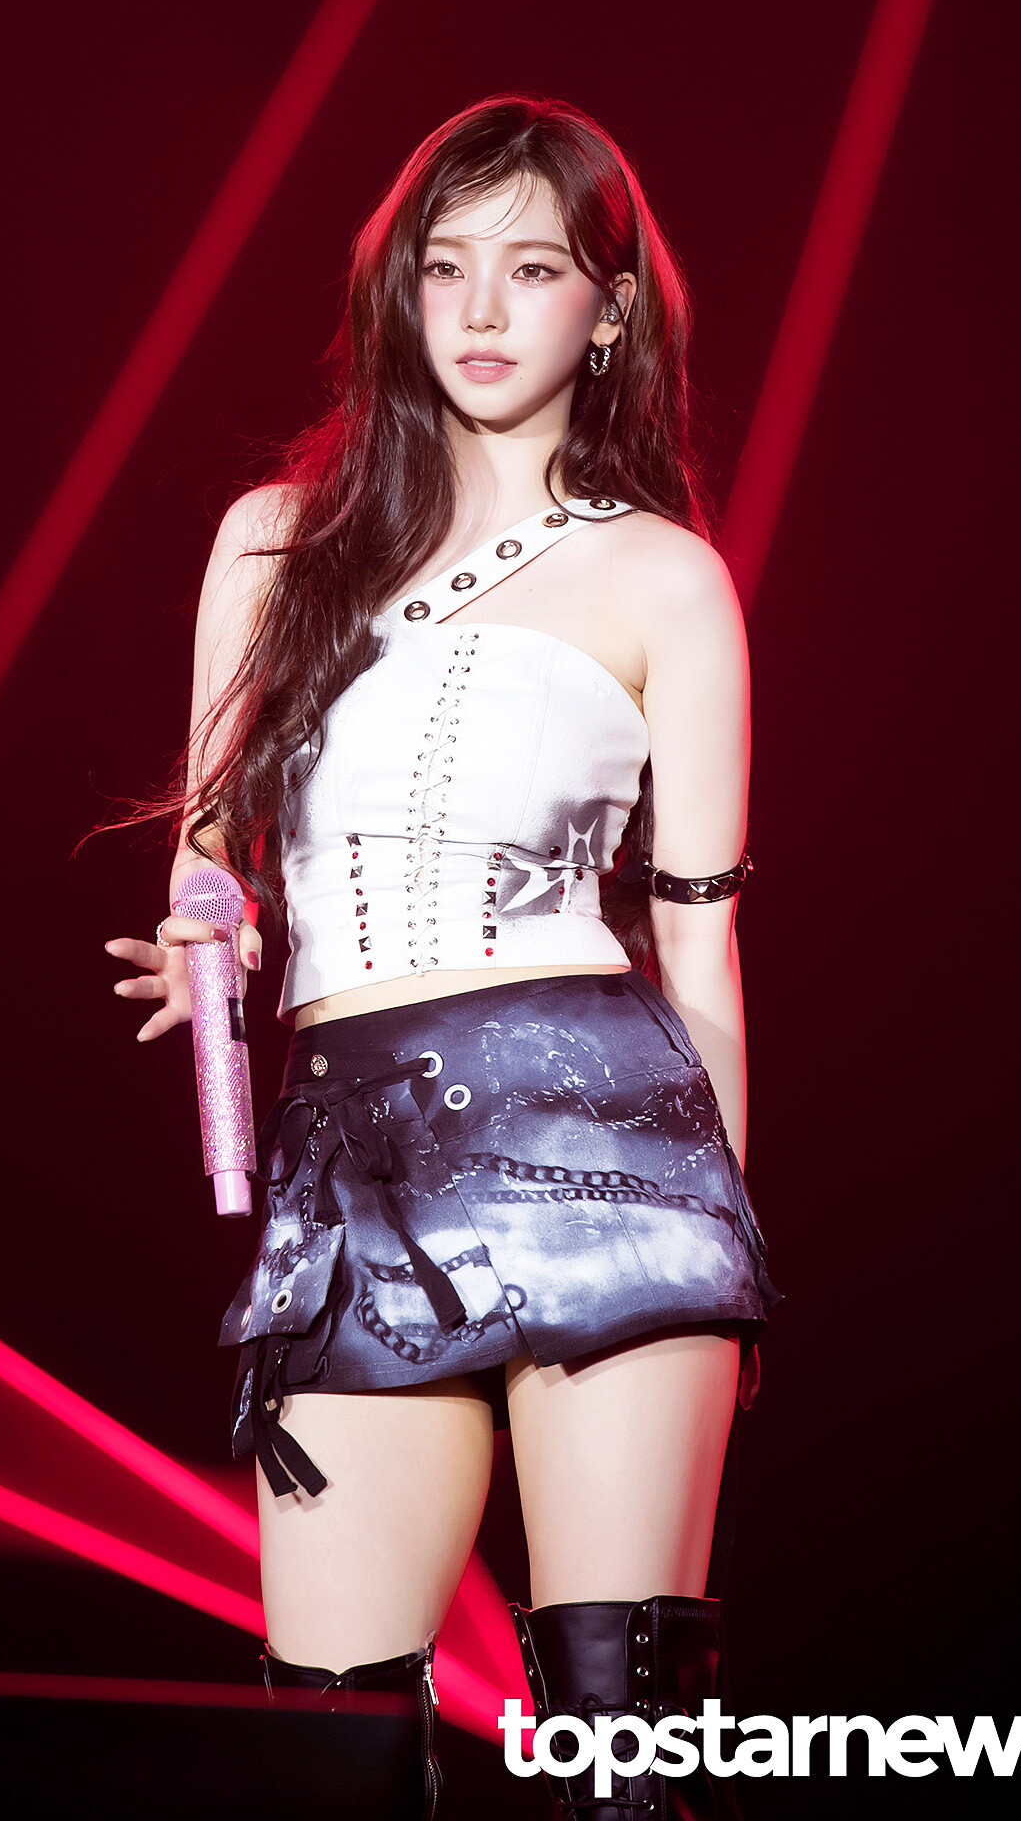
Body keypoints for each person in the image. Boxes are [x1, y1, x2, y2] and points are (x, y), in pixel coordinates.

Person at [105, 94, 779, 1820]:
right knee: (327, 1764)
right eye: (445, 266)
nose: (481, 310)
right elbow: (212, 852)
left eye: (533, 270)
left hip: (616, 1157)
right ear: (396, 289)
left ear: (607, 310)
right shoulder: (275, 544)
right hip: (352, 1175)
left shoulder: (667, 579)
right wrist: (211, 936)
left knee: (625, 1759)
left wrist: (727, 1251)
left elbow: (699, 948)